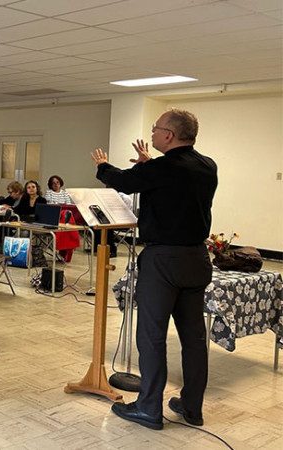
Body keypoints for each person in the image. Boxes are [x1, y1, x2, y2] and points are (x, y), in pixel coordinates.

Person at [93, 109, 217, 431]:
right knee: (193, 338)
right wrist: (149, 165)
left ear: (170, 135)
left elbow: (122, 181)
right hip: (196, 259)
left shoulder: (164, 168)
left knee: (151, 337)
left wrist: (102, 166)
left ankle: (148, 408)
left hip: (164, 261)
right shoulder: (207, 166)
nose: (152, 132)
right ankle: (192, 407)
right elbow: (173, 188)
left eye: (156, 128)